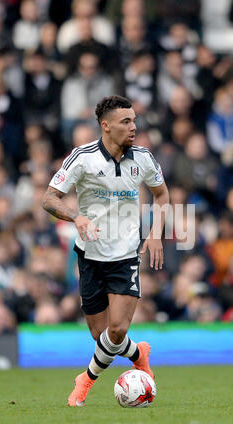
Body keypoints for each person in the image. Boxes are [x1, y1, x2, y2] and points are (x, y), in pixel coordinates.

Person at [42, 95, 169, 406]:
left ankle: (85, 381)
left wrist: (155, 234)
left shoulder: (143, 159)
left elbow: (162, 195)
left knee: (116, 330)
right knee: (102, 337)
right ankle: (139, 353)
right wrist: (77, 216)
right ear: (106, 126)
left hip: (126, 256)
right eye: (126, 122)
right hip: (89, 255)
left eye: (134, 120)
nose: (133, 127)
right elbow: (49, 198)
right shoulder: (82, 158)